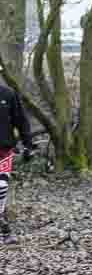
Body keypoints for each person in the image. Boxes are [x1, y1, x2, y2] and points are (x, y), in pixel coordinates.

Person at [0, 83, 32, 245]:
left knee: (1, 187)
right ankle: (4, 229)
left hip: (3, 149)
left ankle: (4, 230)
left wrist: (28, 144)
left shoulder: (8, 93)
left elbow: (20, 118)